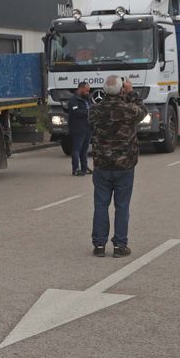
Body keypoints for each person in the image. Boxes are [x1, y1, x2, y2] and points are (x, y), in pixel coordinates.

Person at [89, 75, 143, 258]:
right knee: (122, 206)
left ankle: (99, 245)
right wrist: (131, 93)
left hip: (102, 165)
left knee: (101, 205)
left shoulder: (96, 110)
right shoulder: (129, 109)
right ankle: (120, 245)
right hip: (125, 165)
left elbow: (91, 121)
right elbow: (142, 112)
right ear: (121, 89)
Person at [66, 81, 93, 176]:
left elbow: (91, 108)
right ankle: (76, 169)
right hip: (78, 128)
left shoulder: (87, 99)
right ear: (80, 89)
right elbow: (76, 112)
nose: (88, 92)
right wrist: (89, 112)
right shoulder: (73, 100)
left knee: (84, 149)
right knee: (77, 149)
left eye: (88, 91)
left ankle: (84, 168)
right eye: (86, 90)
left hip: (88, 128)